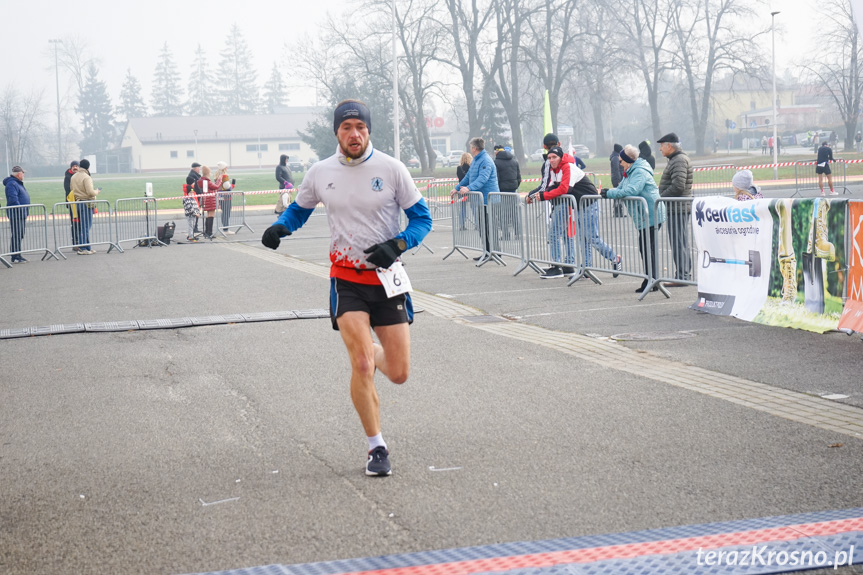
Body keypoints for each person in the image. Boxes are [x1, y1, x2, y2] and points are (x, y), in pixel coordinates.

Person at [261, 99, 432, 477]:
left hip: (387, 281)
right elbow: (301, 208)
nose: (354, 134)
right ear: (336, 132)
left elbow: (422, 218)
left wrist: (399, 244)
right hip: (346, 279)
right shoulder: (321, 172)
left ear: (369, 130)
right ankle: (377, 447)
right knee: (361, 364)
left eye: (360, 127)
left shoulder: (391, 169)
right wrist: (282, 226)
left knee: (400, 372)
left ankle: (372, 350)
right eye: (346, 127)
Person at [602, 144, 666, 293]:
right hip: (645, 215)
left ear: (628, 160)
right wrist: (609, 191)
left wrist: (609, 194)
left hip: (651, 214)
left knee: (647, 248)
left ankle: (651, 280)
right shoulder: (630, 171)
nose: (619, 163)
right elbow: (621, 188)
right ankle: (651, 278)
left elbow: (632, 190)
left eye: (621, 161)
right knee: (645, 248)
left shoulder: (639, 171)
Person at [452, 137, 499, 261]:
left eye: (471, 147)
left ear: (474, 148)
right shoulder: (475, 161)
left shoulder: (485, 161)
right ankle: (486, 251)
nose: (470, 149)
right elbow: (468, 176)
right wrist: (457, 187)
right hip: (479, 200)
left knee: (489, 227)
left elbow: (482, 179)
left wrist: (468, 188)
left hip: (488, 200)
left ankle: (494, 252)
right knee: (482, 227)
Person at [656, 132, 693, 285]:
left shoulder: (678, 160)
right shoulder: (676, 159)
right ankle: (683, 274)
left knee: (679, 242)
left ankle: (682, 276)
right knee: (680, 241)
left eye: (661, 146)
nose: (660, 150)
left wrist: (661, 197)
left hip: (678, 207)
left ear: (669, 146)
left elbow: (678, 185)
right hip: (678, 207)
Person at [69, 159, 100, 255]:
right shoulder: (86, 177)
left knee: (84, 226)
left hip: (78, 202)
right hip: (86, 203)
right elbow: (90, 192)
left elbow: (71, 189)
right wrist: (97, 192)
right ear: (88, 167)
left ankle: (87, 247)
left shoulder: (73, 177)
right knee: (86, 227)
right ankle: (83, 247)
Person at [493, 143, 521, 240]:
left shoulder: (496, 162)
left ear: (496, 152)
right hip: (513, 189)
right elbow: (519, 177)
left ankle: (506, 234)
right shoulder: (514, 161)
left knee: (502, 213)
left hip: (502, 191)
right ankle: (518, 233)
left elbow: (496, 178)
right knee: (514, 213)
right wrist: (515, 185)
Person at [4, 166, 30, 263]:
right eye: (23, 173)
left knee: (20, 234)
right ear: (19, 174)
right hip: (16, 214)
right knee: (17, 235)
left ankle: (17, 254)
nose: (23, 175)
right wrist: (20, 209)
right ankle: (15, 256)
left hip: (21, 213)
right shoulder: (12, 184)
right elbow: (13, 199)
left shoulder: (16, 183)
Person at [63, 161, 81, 250]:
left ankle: (82, 242)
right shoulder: (67, 177)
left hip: (81, 202)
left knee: (81, 224)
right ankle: (75, 243)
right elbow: (68, 189)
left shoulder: (81, 175)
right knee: (74, 223)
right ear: (71, 167)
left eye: (77, 166)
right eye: (73, 166)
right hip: (72, 203)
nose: (75, 167)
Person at [197, 165, 218, 239]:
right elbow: (216, 187)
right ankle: (209, 232)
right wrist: (220, 180)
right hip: (210, 199)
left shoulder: (201, 181)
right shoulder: (207, 181)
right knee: (211, 215)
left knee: (208, 215)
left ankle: (207, 231)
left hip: (206, 199)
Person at [213, 161, 234, 234]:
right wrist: (232, 186)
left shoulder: (217, 176)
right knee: (226, 213)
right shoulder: (224, 176)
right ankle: (226, 229)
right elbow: (227, 186)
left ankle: (224, 228)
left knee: (224, 212)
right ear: (224, 168)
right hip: (226, 197)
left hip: (220, 196)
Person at [455, 152, 473, 231]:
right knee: (474, 208)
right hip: (470, 189)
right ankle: (478, 224)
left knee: (462, 208)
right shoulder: (472, 167)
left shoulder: (459, 168)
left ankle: (462, 225)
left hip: (461, 190)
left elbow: (459, 177)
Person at [610, 143, 626, 217]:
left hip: (616, 178)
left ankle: (619, 211)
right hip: (617, 179)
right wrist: (619, 180)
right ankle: (617, 212)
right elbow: (616, 170)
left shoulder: (615, 157)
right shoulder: (616, 158)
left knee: (618, 195)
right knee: (618, 195)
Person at [186, 162, 202, 234]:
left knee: (196, 211)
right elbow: (196, 186)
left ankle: (195, 227)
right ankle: (194, 227)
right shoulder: (193, 175)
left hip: (196, 195)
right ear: (195, 168)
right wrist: (200, 193)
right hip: (196, 195)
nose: (199, 169)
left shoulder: (194, 175)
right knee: (195, 211)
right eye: (198, 168)